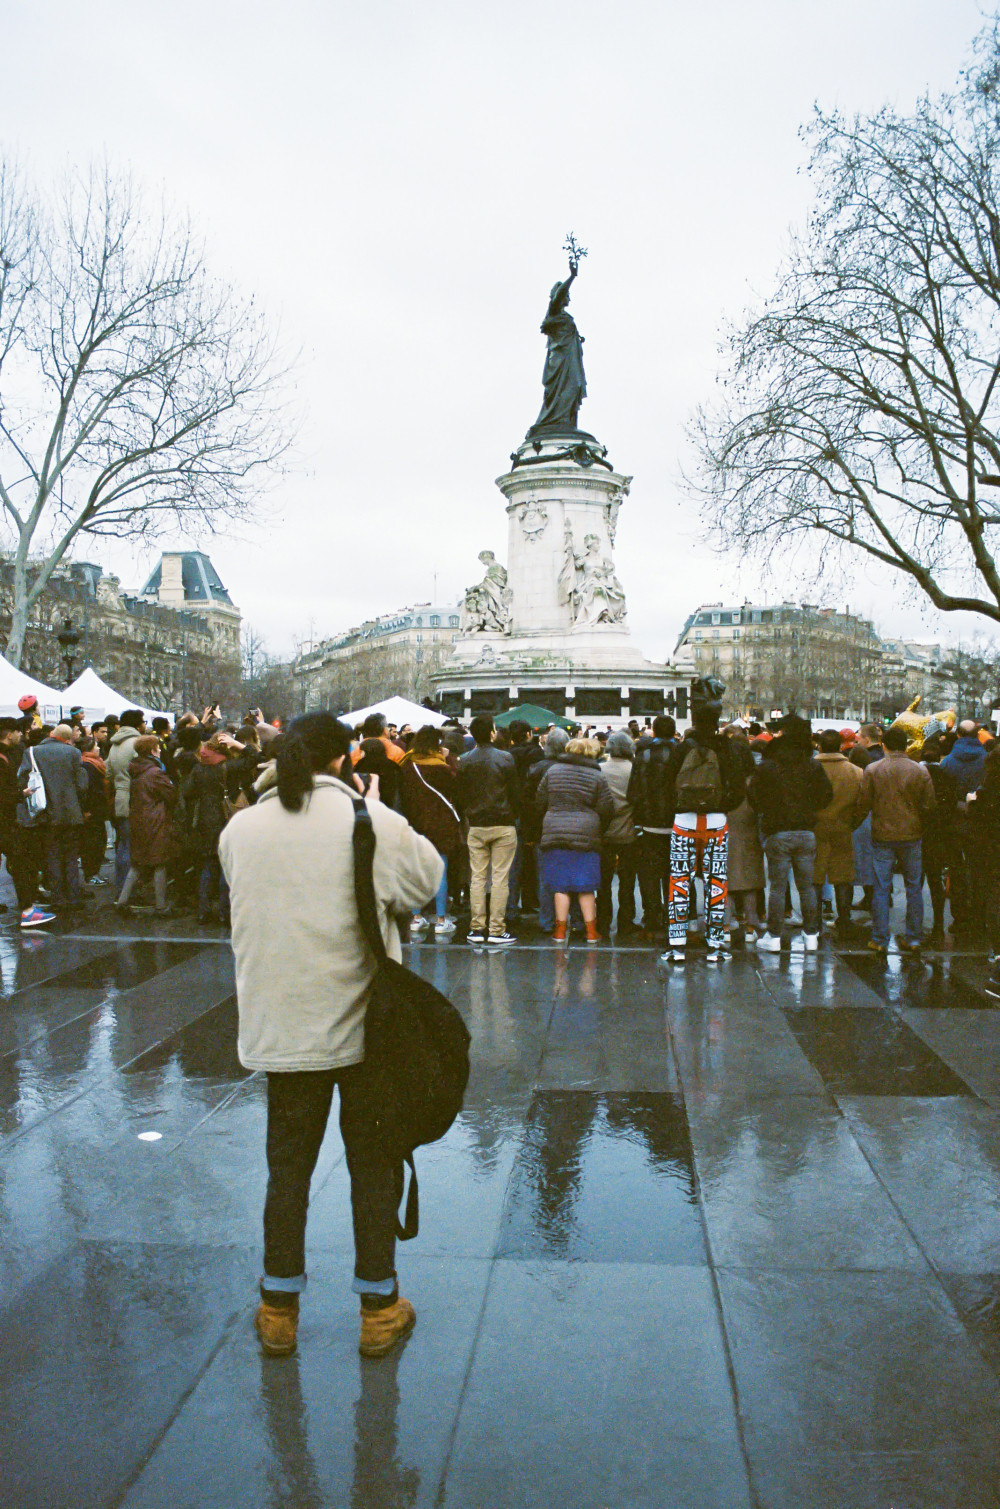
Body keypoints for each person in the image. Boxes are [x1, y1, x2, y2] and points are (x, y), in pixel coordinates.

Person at [218, 712, 442, 1360]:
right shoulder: (369, 822)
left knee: (287, 1167)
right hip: (366, 1024)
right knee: (373, 1167)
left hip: (281, 1022)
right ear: (346, 759)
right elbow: (427, 880)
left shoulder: (240, 829)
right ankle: (378, 1308)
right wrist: (377, 807)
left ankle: (277, 1308)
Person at [660, 683, 745, 964]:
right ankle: (715, 947)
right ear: (718, 721)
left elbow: (666, 785)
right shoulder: (728, 749)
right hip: (717, 822)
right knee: (716, 883)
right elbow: (738, 788)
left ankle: (677, 946)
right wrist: (721, 807)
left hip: (683, 822)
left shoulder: (682, 748)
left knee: (679, 883)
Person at [749, 713, 833, 954]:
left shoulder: (768, 766)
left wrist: (767, 810)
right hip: (806, 829)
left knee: (777, 886)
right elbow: (826, 796)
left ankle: (774, 935)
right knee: (806, 886)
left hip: (777, 830)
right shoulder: (813, 765)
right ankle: (811, 934)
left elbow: (753, 796)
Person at [858, 723, 935, 955]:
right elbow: (929, 804)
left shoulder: (873, 769)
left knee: (881, 887)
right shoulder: (920, 771)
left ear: (883, 745)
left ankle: (880, 938)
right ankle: (913, 938)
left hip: (882, 833)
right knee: (913, 887)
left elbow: (863, 803)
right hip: (912, 834)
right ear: (906, 745)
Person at [536, 736, 613, 943]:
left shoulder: (553, 771)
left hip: (555, 832)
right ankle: (591, 932)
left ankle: (560, 932)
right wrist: (596, 826)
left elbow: (540, 800)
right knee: (586, 887)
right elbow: (606, 807)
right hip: (586, 834)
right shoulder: (597, 775)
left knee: (560, 886)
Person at [457, 715, 519, 946]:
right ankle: (496, 929)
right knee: (500, 878)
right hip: (503, 822)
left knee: (478, 877)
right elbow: (514, 792)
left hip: (476, 823)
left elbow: (461, 794)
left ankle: (476, 927)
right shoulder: (505, 758)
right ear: (492, 733)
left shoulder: (464, 760)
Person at [399, 726, 462, 937]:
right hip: (439, 824)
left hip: (413, 823)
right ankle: (441, 919)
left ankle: (416, 917)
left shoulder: (406, 765)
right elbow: (455, 788)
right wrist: (449, 759)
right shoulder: (440, 767)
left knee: (416, 871)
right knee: (440, 870)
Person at [183, 731, 244, 924]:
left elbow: (188, 793)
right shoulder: (229, 768)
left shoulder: (199, 769)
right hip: (226, 820)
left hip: (204, 822)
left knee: (207, 867)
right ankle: (225, 912)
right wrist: (236, 744)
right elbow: (255, 757)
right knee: (226, 867)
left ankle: (204, 910)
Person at [626, 714, 677, 935]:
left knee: (649, 874)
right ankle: (675, 914)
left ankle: (653, 915)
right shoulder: (683, 753)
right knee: (675, 872)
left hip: (649, 824)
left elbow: (633, 792)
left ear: (654, 731)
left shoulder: (643, 755)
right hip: (678, 823)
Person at [115, 735, 176, 915]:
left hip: (138, 818)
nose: (160, 750)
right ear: (152, 751)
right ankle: (160, 905)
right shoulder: (155, 772)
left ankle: (122, 901)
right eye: (158, 747)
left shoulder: (136, 769)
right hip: (155, 820)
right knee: (159, 862)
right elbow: (171, 794)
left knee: (138, 863)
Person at [813, 728, 865, 935]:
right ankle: (844, 918)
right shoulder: (855, 771)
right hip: (843, 827)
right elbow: (863, 804)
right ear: (841, 746)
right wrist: (853, 822)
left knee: (815, 877)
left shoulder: (810, 769)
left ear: (820, 746)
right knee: (843, 877)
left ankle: (814, 919)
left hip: (815, 827)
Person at [521, 727, 570, 933]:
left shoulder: (536, 768)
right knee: (569, 875)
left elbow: (530, 803)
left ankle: (547, 920)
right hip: (570, 827)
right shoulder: (572, 767)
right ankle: (571, 920)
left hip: (543, 828)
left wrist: (529, 833)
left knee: (545, 876)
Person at [721, 726, 764, 946]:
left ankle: (725, 926)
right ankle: (750, 927)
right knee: (749, 881)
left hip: (725, 829)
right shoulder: (754, 779)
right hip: (749, 830)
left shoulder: (723, 778)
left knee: (725, 880)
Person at [596, 730, 639, 938]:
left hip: (603, 832)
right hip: (628, 831)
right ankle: (626, 920)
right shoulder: (634, 770)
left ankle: (602, 921)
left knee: (603, 881)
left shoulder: (600, 769)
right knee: (627, 879)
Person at [921, 733, 959, 944]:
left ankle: (914, 924)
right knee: (935, 882)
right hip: (939, 835)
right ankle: (937, 925)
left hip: (918, 833)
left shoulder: (918, 775)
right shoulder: (947, 776)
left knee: (914, 883)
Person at [107, 709, 146, 895]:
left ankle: (121, 887)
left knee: (123, 845)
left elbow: (107, 773)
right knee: (133, 847)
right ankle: (128, 891)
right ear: (138, 724)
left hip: (120, 798)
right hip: (136, 798)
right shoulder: (138, 744)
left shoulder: (114, 745)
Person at [77, 734, 111, 885]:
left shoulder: (93, 763)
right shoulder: (88, 764)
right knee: (93, 843)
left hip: (97, 809)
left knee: (97, 841)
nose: (98, 748)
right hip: (93, 810)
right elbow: (87, 789)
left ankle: (93, 873)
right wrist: (86, 809)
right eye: (96, 746)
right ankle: (91, 874)